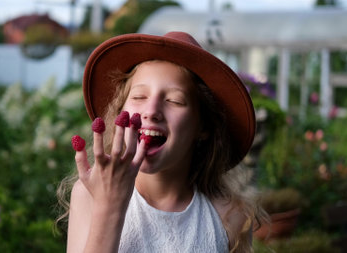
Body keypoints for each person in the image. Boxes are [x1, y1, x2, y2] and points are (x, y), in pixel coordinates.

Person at [59, 31, 265, 253]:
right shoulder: (89, 194)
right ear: (120, 112)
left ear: (203, 127)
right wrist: (109, 207)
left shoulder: (230, 215)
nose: (151, 111)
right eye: (139, 97)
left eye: (174, 100)